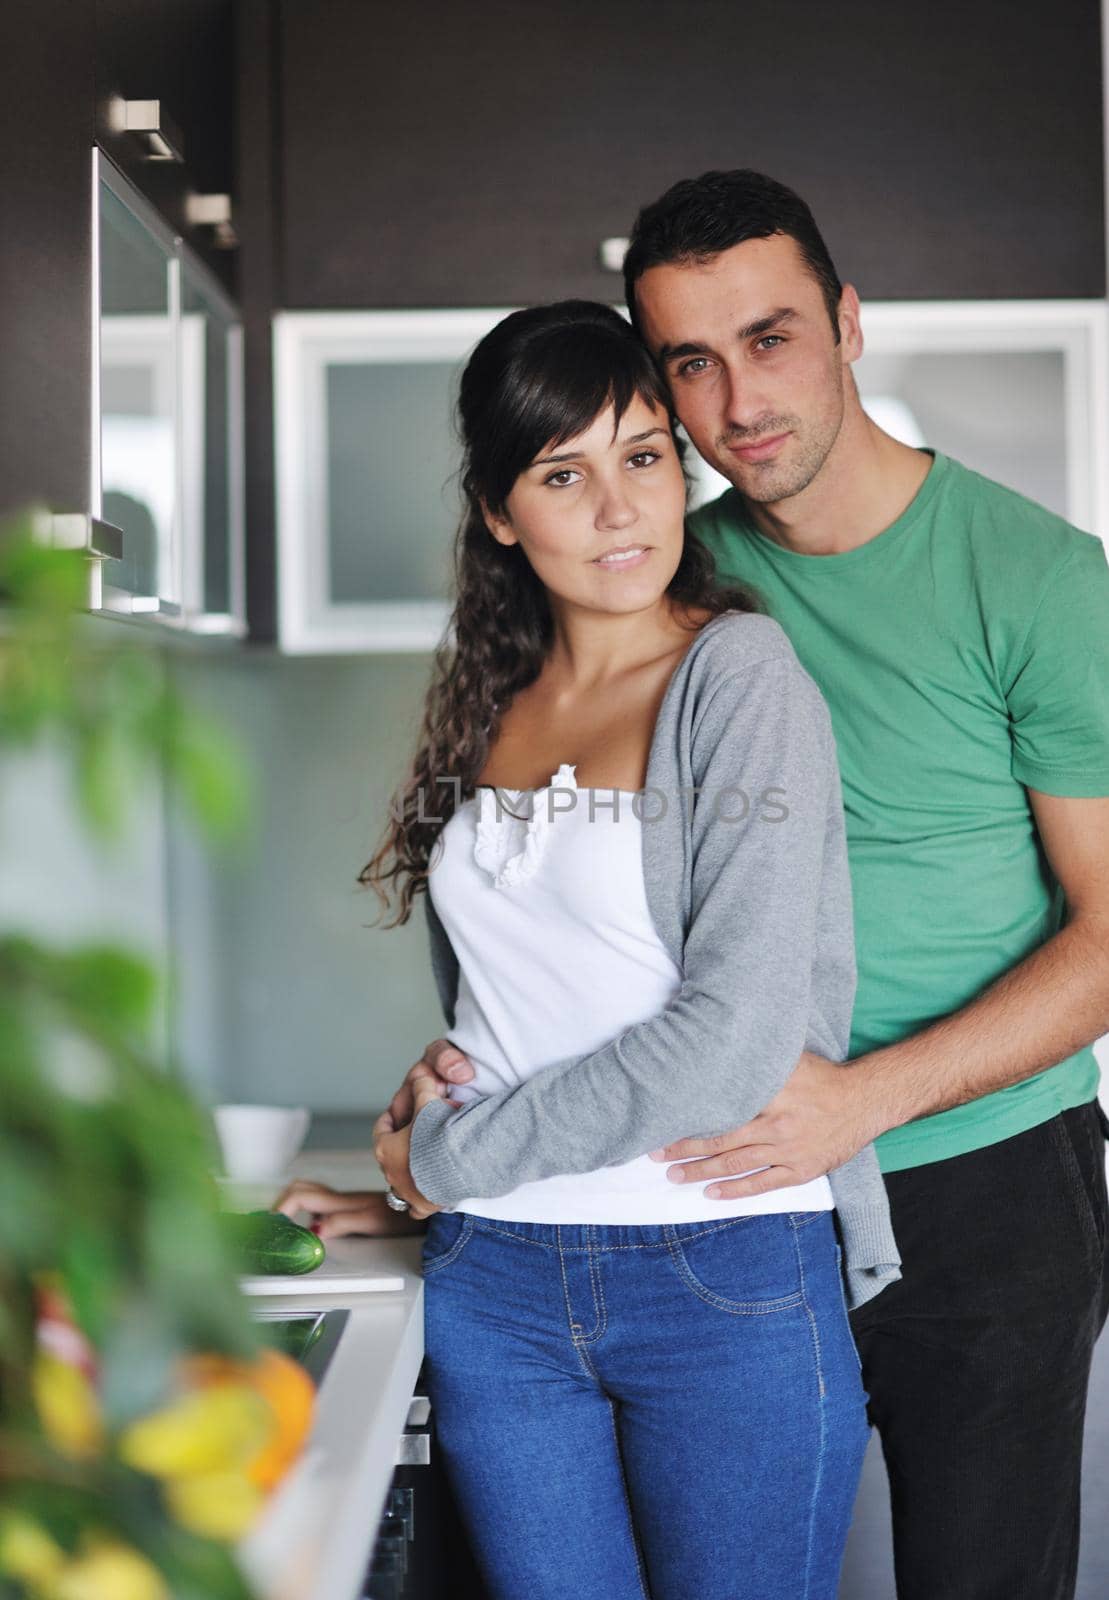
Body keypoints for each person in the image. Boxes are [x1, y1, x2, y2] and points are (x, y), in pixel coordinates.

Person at [396, 170, 1109, 1600]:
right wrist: (465, 1073)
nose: (735, 404)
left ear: (847, 324)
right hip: (718, 1194)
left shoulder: (1035, 580)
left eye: (771, 338)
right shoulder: (656, 562)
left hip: (977, 1172)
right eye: (689, 367)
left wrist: (865, 1095)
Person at [283, 299, 899, 1600]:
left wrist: (439, 1158)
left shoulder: (738, 681)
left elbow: (726, 1047)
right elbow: (531, 996)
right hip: (493, 1280)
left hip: (718, 1276)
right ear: (501, 511)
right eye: (563, 473)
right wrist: (411, 1202)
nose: (619, 508)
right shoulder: (496, 696)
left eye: (641, 457)